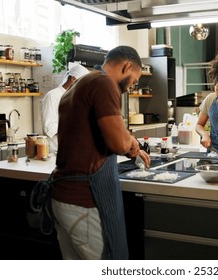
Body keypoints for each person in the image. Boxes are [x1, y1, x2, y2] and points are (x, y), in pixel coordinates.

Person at [49, 46, 150, 260]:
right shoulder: (104, 84)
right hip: (83, 200)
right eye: (133, 80)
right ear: (127, 66)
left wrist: (129, 141)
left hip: (63, 196)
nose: (131, 86)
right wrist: (131, 143)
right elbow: (119, 143)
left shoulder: (81, 83)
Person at [40, 64, 89, 153]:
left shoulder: (76, 97)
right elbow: (48, 127)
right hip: (56, 151)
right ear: (73, 79)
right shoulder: (52, 96)